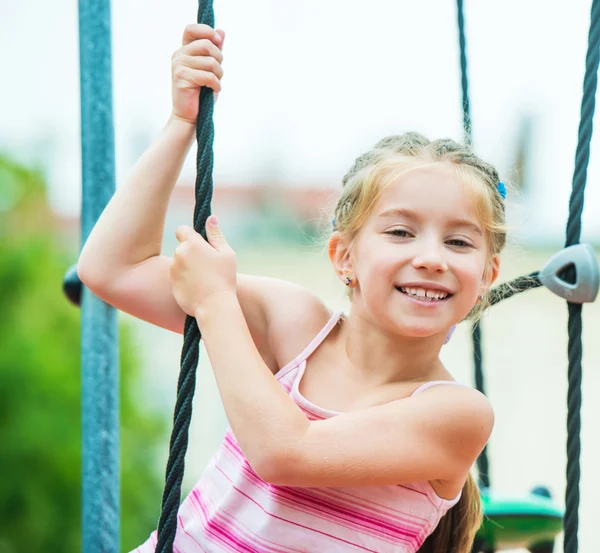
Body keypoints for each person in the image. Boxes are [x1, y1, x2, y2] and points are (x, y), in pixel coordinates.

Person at [78, 22, 505, 553]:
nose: (430, 258)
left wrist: (214, 301)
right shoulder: (296, 325)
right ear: (343, 256)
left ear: (487, 275)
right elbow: (112, 269)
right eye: (400, 232)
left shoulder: (456, 414)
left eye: (460, 243)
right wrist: (180, 123)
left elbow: (284, 454)